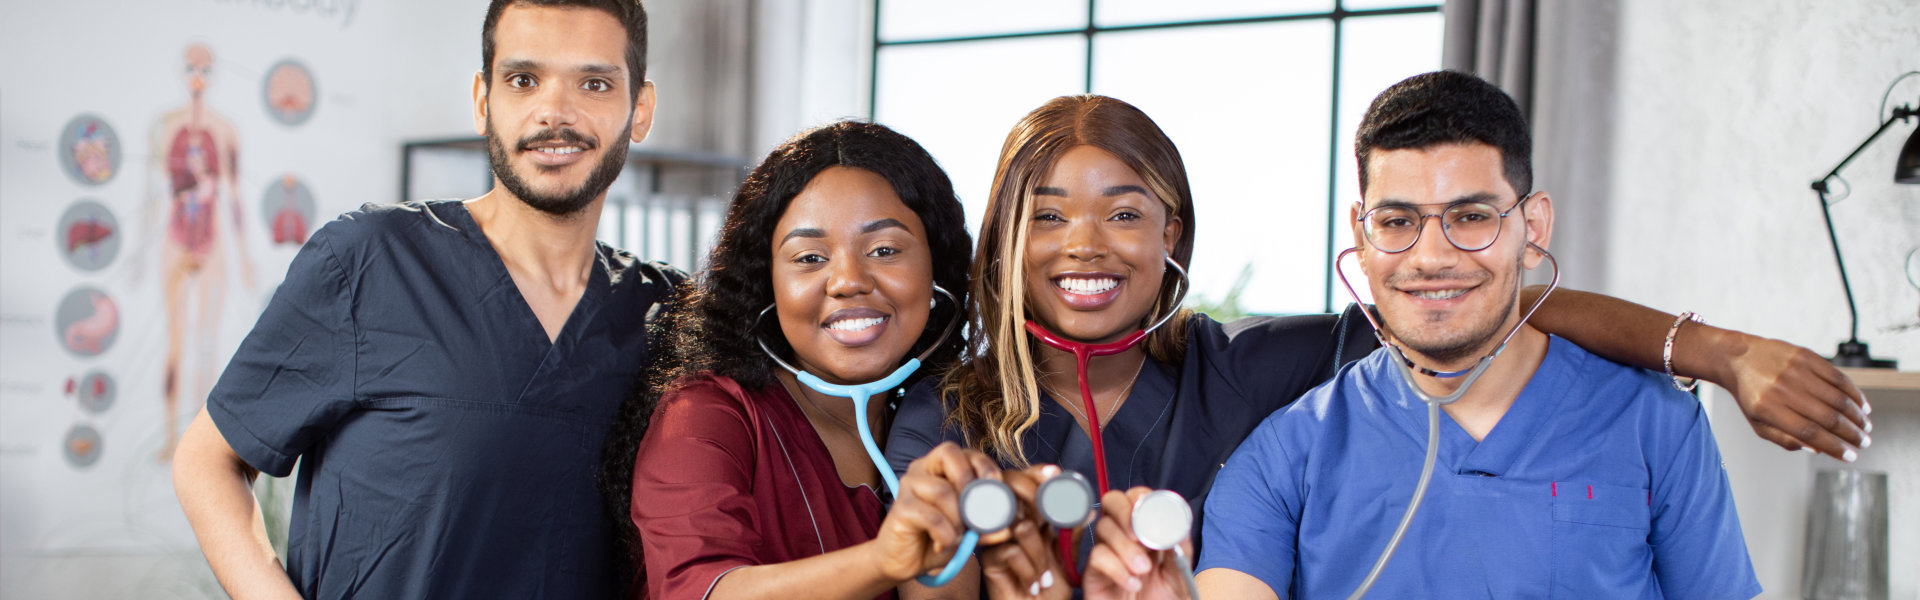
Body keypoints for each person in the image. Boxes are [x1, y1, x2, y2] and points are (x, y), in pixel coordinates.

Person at [884, 94, 1865, 598]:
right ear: (1005, 234)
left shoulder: (1254, 372)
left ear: (1174, 232)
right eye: (1047, 215)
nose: (1086, 245)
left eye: (1126, 212)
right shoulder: (942, 412)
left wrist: (1722, 354)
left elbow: (1492, 305)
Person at [1089, 70, 1761, 598]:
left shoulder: (1656, 424)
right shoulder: (1282, 456)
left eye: (1470, 216)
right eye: (1398, 220)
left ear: (1535, 229)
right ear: (1361, 232)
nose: (1431, 255)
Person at [171, 1, 676, 597]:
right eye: (523, 80)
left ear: (639, 109)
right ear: (483, 100)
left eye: (593, 83)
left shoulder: (667, 317)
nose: (554, 112)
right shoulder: (370, 261)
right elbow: (208, 459)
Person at [616, 120, 1006, 600]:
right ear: (767, 285)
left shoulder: (944, 429)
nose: (848, 280)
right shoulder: (705, 415)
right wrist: (885, 559)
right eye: (808, 258)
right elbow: (701, 589)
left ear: (936, 272)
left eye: (884, 250)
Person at [150, 43, 257, 461]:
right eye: (191, 67)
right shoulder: (165, 126)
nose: (197, 74)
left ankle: (197, 447)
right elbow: (153, 193)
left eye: (205, 67)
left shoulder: (224, 129)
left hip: (211, 239)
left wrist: (245, 255)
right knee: (175, 342)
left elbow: (233, 195)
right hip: (176, 237)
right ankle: (167, 439)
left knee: (207, 343)